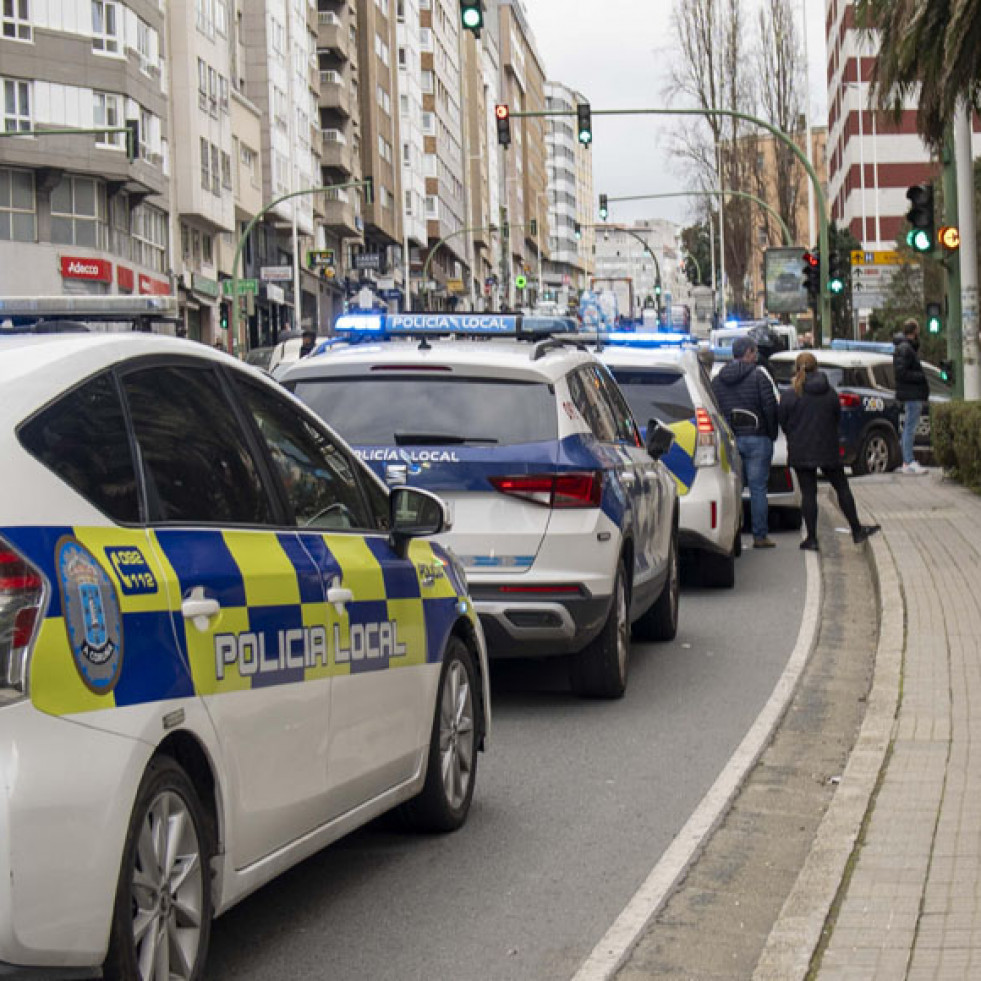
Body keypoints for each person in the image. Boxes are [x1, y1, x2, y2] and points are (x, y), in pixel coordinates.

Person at [779, 352, 880, 551]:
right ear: (817, 368)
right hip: (828, 448)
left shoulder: (791, 394)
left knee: (809, 493)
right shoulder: (829, 392)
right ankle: (857, 529)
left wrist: (795, 434)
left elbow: (783, 420)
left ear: (796, 369)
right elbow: (836, 417)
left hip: (801, 449)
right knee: (842, 487)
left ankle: (812, 538)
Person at [712, 335, 779, 548]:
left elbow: (715, 409)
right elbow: (770, 407)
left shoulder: (718, 379)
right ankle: (760, 536)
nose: (757, 356)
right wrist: (771, 433)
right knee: (758, 488)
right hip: (758, 438)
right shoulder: (759, 377)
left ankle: (734, 536)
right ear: (748, 353)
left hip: (731, 439)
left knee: (735, 489)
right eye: (755, 352)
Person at [893, 318, 929, 474]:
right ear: (914, 331)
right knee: (910, 428)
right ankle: (908, 461)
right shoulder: (905, 349)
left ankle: (907, 460)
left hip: (912, 393)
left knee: (909, 427)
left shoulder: (905, 348)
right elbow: (901, 372)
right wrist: (920, 377)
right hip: (912, 394)